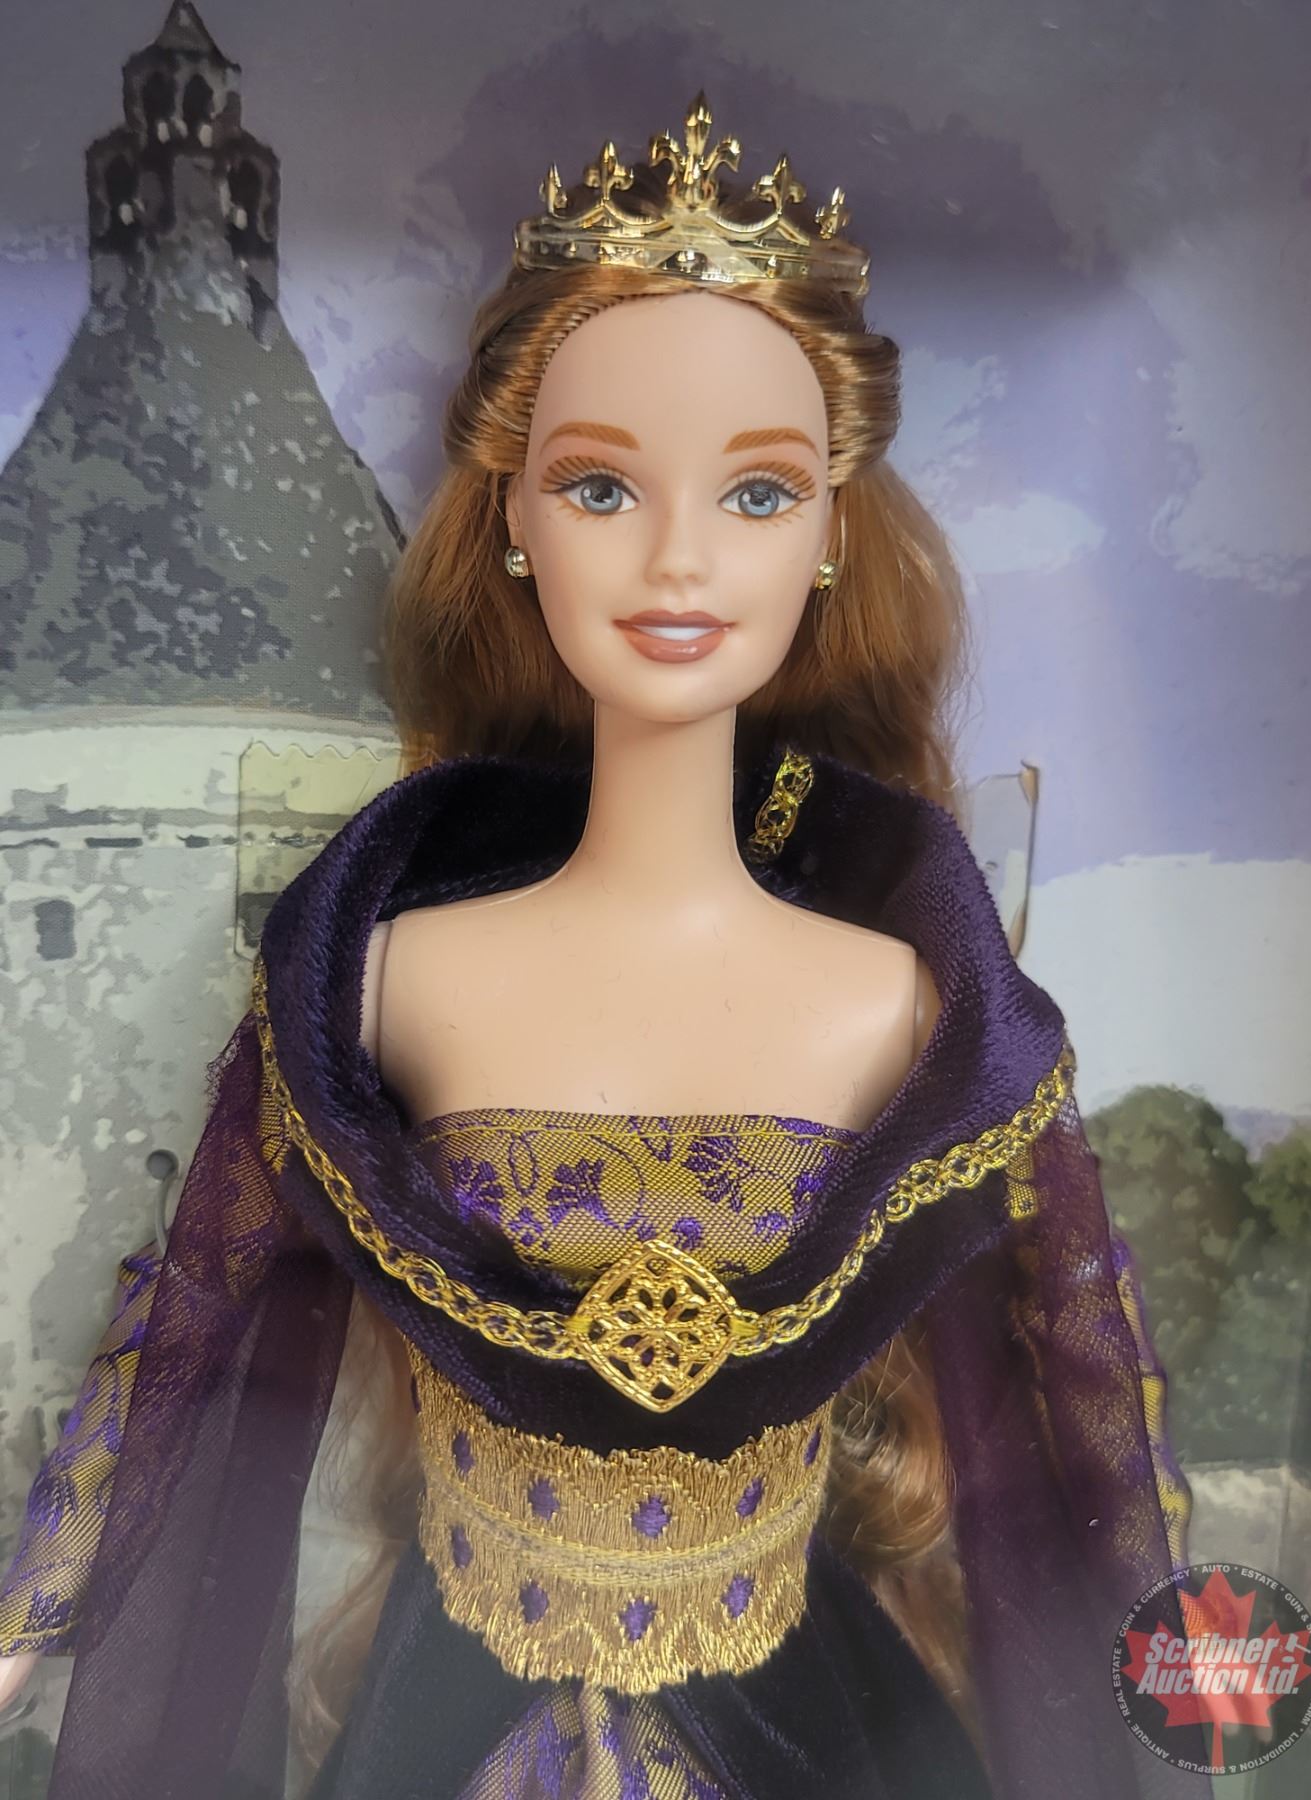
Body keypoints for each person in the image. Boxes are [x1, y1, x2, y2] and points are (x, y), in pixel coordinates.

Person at [0, 92, 1209, 1799]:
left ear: (830, 532)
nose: (677, 560)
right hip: (451, 1710)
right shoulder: (381, 973)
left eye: (758, 492)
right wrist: (28, 1620)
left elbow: (1075, 1384)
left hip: (802, 1720)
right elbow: (192, 1328)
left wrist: (1196, 1677)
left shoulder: (906, 1004)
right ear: (512, 515)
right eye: (597, 485)